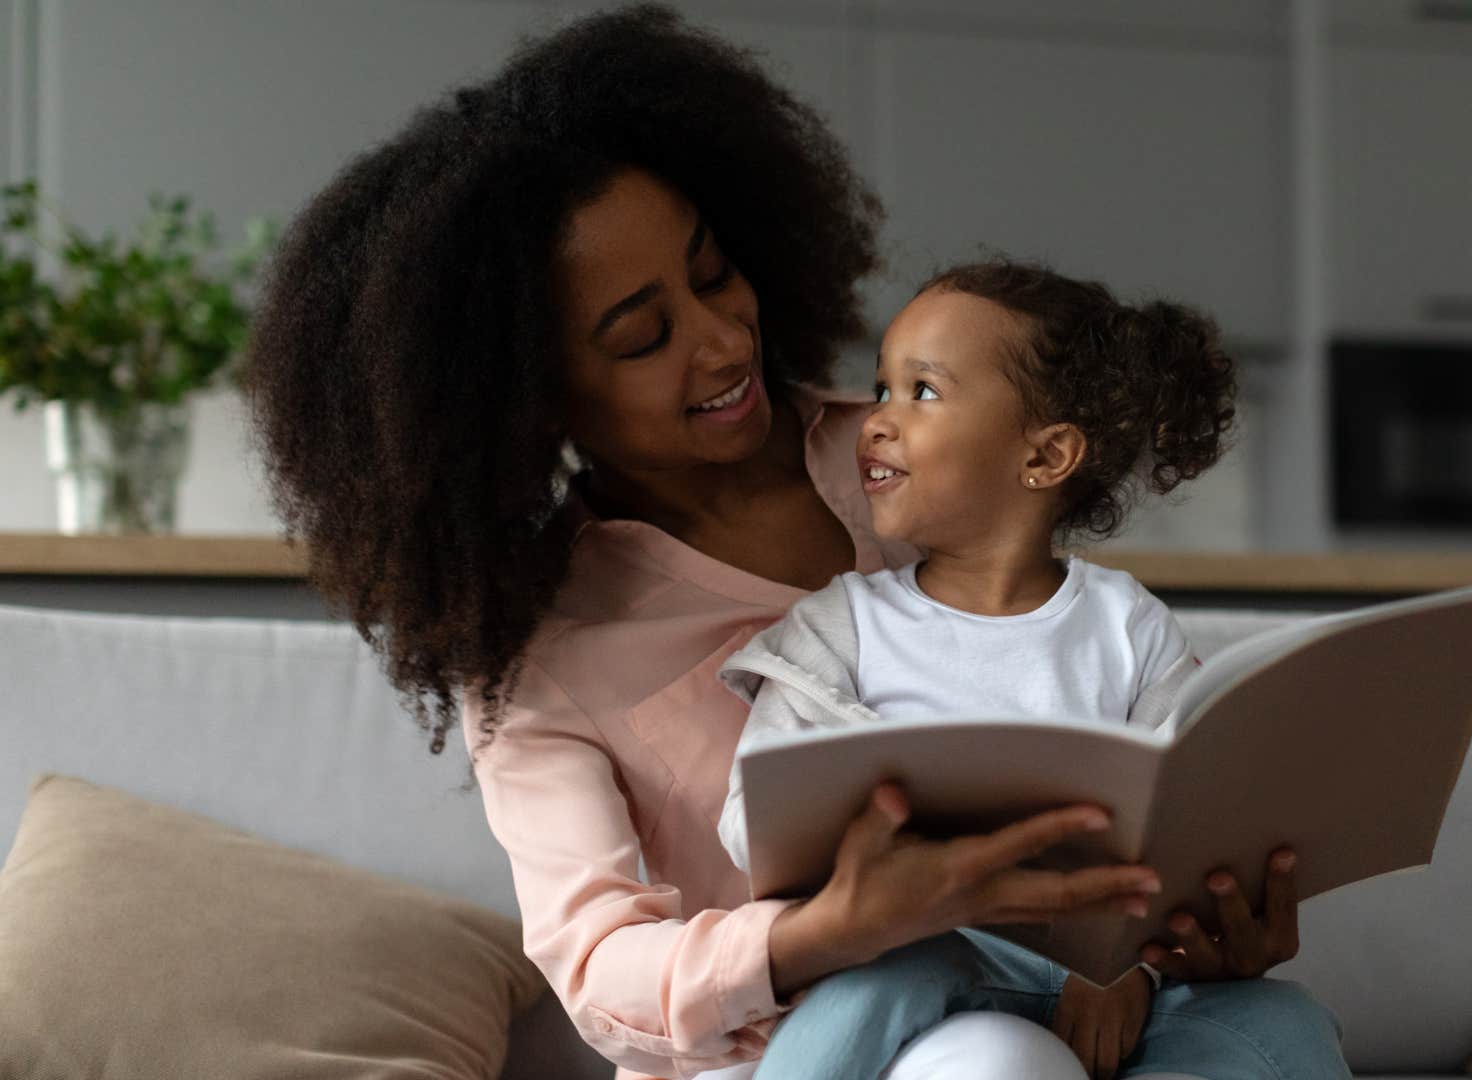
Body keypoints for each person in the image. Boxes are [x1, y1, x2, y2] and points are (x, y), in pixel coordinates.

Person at [243, 6, 1343, 1079]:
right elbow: (599, 970)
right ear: (532, 403)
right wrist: (821, 934)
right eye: (642, 336)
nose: (723, 339)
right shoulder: (543, 655)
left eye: (714, 271)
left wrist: (1183, 931)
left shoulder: (921, 452)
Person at [715, 260, 1350, 1080]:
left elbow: (1186, 821)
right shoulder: (841, 624)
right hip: (927, 959)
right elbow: (750, 823)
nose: (876, 420)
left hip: (1108, 983)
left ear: (1046, 456)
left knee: (1283, 1022)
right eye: (881, 388)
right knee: (869, 992)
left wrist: (1132, 963)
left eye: (924, 392)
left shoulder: (1128, 625)